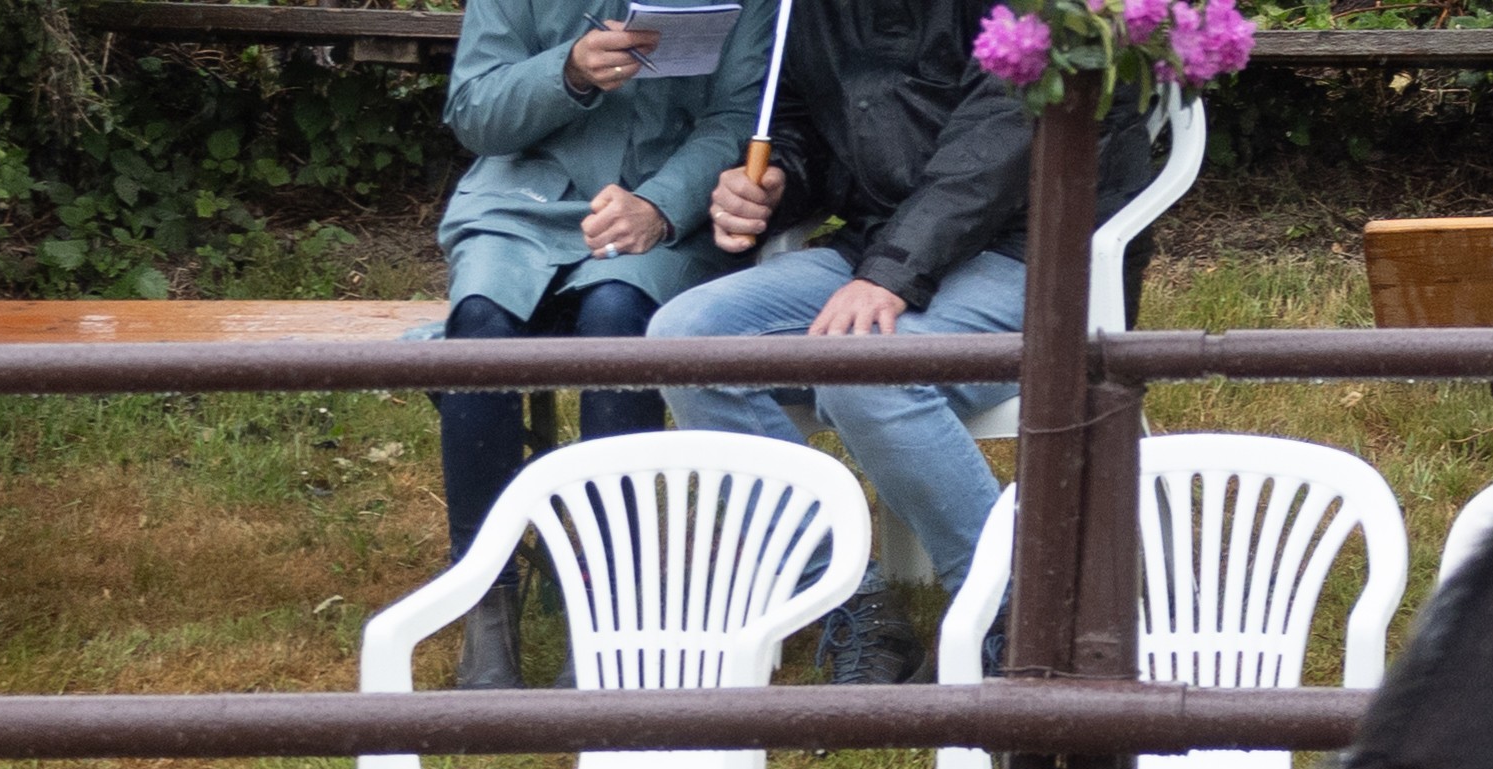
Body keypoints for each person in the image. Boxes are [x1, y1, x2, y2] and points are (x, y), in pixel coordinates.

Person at [645, 0, 1148, 682]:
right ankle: (844, 598)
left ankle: (1021, 619)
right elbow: (800, 123)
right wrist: (777, 180)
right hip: (880, 243)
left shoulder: (1039, 8)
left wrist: (889, 276)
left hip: (1035, 250)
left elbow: (994, 150)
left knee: (868, 371)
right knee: (687, 339)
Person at [431, 0, 777, 686]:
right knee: (480, 322)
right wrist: (565, 71)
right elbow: (473, 112)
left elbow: (739, 117)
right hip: (520, 206)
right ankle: (484, 596)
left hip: (663, 211)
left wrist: (661, 206)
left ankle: (611, 599)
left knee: (617, 314)